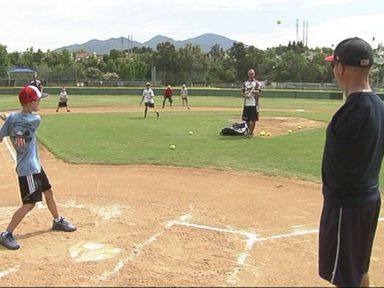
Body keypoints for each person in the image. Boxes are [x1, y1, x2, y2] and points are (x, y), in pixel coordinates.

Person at [319, 37, 384, 287]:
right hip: (368, 199)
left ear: (341, 68)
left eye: (334, 65)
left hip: (346, 207)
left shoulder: (349, 114)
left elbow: (335, 171)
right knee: (358, 269)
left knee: (345, 278)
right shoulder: (379, 106)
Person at [0, 85, 77, 250]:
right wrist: (11, 120)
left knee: (48, 191)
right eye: (37, 100)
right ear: (30, 102)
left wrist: (8, 121)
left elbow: (2, 136)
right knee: (29, 203)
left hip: (35, 166)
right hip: (28, 169)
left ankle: (57, 220)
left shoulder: (13, 119)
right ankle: (6, 234)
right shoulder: (36, 119)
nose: (39, 103)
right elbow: (24, 121)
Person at [240, 69, 261, 137]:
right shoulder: (245, 83)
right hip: (247, 103)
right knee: (247, 119)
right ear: (248, 74)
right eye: (249, 73)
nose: (251, 75)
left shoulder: (257, 83)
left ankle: (251, 132)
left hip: (254, 103)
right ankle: (249, 131)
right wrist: (245, 95)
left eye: (252, 73)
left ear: (254, 74)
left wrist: (253, 92)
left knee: (253, 119)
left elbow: (259, 92)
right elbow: (242, 91)